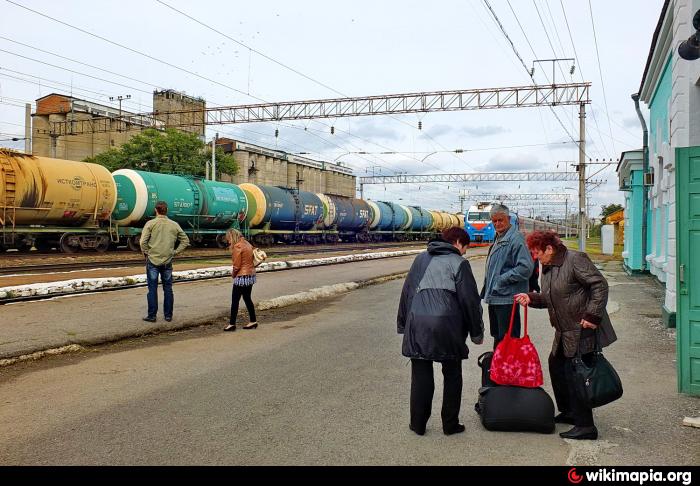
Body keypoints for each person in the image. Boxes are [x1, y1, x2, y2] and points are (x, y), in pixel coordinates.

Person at [514, 230, 617, 440]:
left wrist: (593, 315)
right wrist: (531, 298)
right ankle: (570, 412)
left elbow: (599, 284)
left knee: (577, 375)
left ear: (549, 249)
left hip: (581, 328)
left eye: (536, 252)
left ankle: (586, 426)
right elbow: (551, 297)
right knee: (557, 367)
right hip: (563, 331)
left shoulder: (575, 259)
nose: (535, 257)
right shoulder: (549, 266)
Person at [397, 227, 484, 436]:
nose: (465, 252)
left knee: (421, 375)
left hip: (417, 323)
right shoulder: (460, 263)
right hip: (448, 326)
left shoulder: (420, 259)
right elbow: (470, 301)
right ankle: (450, 424)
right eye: (465, 247)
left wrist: (403, 324)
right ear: (457, 243)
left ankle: (417, 425)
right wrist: (476, 332)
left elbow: (407, 292)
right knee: (452, 374)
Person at [481, 204, 533, 348]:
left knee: (508, 340)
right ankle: (499, 368)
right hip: (497, 297)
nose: (497, 224)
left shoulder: (515, 239)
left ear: (508, 219)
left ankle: (507, 369)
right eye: (494, 221)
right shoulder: (499, 237)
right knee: (499, 338)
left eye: (500, 220)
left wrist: (501, 280)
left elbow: (526, 267)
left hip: (507, 298)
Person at [139, 201, 190, 322]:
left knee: (152, 289)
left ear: (156, 210)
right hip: (167, 261)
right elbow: (185, 240)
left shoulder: (150, 223)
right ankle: (168, 315)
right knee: (168, 288)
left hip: (152, 261)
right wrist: (174, 252)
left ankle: (152, 316)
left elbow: (142, 242)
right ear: (166, 210)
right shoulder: (174, 224)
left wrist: (147, 252)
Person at [224, 229, 257, 332]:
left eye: (228, 239)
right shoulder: (247, 243)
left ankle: (232, 324)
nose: (228, 241)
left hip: (241, 277)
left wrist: (233, 275)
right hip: (250, 275)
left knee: (235, 300)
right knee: (247, 298)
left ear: (232, 237)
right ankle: (253, 321)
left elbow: (237, 266)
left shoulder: (237, 246)